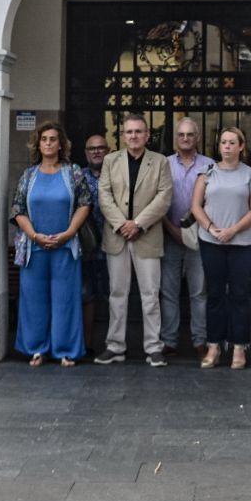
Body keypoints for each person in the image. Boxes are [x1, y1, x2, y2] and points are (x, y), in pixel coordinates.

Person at [11, 122, 93, 366]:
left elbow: (85, 203)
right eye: (44, 139)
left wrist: (69, 232)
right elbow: (18, 209)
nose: (48, 143)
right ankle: (37, 349)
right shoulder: (28, 175)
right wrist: (35, 235)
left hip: (66, 247)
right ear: (38, 144)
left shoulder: (74, 172)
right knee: (34, 300)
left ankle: (65, 350)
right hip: (34, 248)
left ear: (61, 144)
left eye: (53, 139)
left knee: (65, 299)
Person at [94, 114, 173, 367]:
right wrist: (121, 224)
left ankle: (153, 347)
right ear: (122, 135)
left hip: (147, 236)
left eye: (138, 131)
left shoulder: (159, 162)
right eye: (129, 132)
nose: (134, 136)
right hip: (117, 237)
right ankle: (115, 346)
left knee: (150, 294)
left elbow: (164, 197)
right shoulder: (110, 161)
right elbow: (104, 195)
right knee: (117, 294)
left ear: (147, 135)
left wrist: (138, 223)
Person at [192, 126, 251, 370]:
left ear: (241, 146)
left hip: (241, 243)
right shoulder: (207, 172)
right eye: (223, 142)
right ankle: (214, 346)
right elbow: (196, 207)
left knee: (239, 295)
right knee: (214, 295)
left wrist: (233, 230)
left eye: (232, 142)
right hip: (211, 241)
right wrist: (212, 228)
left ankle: (239, 347)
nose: (227, 146)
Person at [161, 117, 211, 361]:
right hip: (170, 235)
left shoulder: (210, 165)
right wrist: (172, 230)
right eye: (181, 135)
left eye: (190, 134)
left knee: (199, 292)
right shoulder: (165, 165)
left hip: (200, 237)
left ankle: (200, 341)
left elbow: (212, 202)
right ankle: (169, 341)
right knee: (168, 292)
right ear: (175, 139)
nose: (185, 139)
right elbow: (158, 201)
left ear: (198, 137)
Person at [79, 133, 110, 344]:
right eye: (92, 148)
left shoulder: (117, 175)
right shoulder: (77, 177)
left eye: (100, 148)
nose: (96, 151)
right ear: (86, 153)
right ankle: (87, 341)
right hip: (86, 248)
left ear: (108, 151)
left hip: (113, 246)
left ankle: (113, 342)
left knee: (113, 297)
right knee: (86, 296)